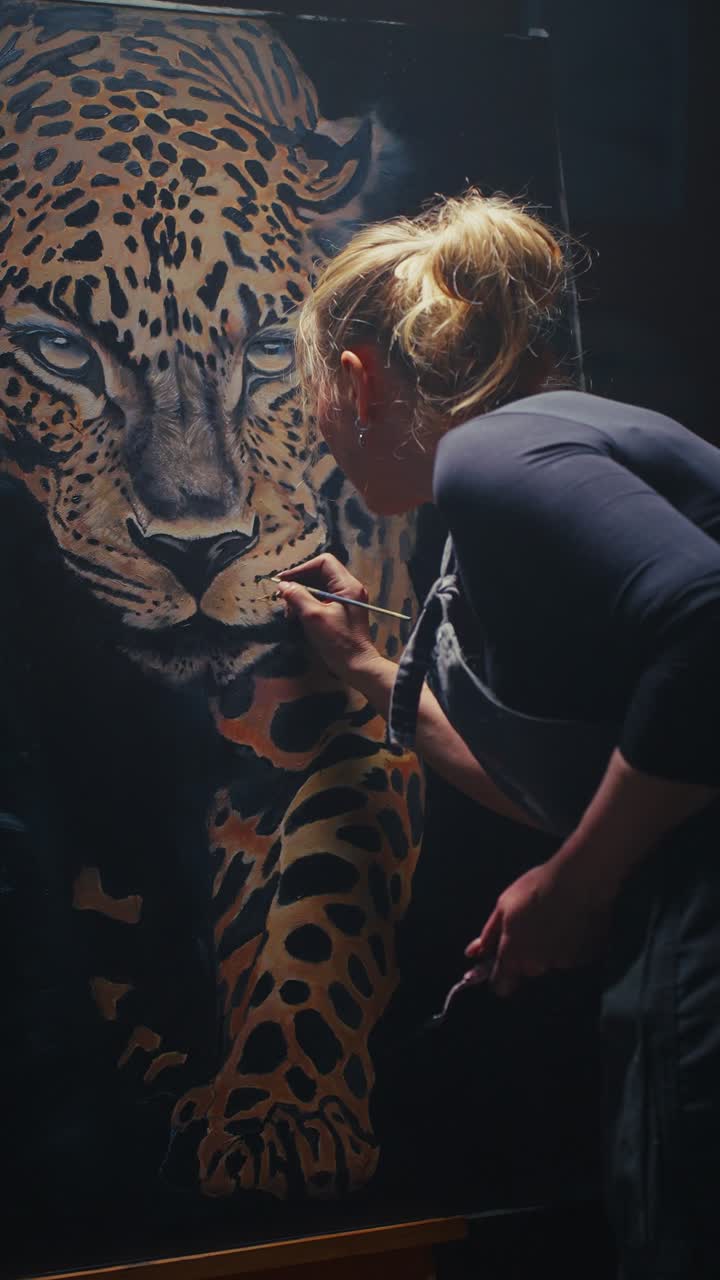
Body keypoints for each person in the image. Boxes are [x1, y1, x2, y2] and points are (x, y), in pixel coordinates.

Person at [273, 189, 720, 1279]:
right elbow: (589, 780)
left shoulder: (496, 457)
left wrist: (577, 881)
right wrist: (375, 671)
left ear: (361, 378)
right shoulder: (572, 438)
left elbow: (710, 622)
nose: (320, 435)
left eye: (309, 400)